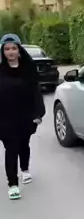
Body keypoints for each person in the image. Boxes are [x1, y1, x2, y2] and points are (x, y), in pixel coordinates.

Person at [0, 33, 45, 200]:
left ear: (19, 50)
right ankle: (12, 184)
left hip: (26, 116)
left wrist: (38, 113)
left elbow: (36, 93)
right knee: (11, 149)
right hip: (5, 118)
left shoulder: (28, 70)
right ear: (3, 52)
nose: (10, 52)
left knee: (24, 144)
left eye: (13, 48)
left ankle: (25, 169)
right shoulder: (0, 71)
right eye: (7, 49)